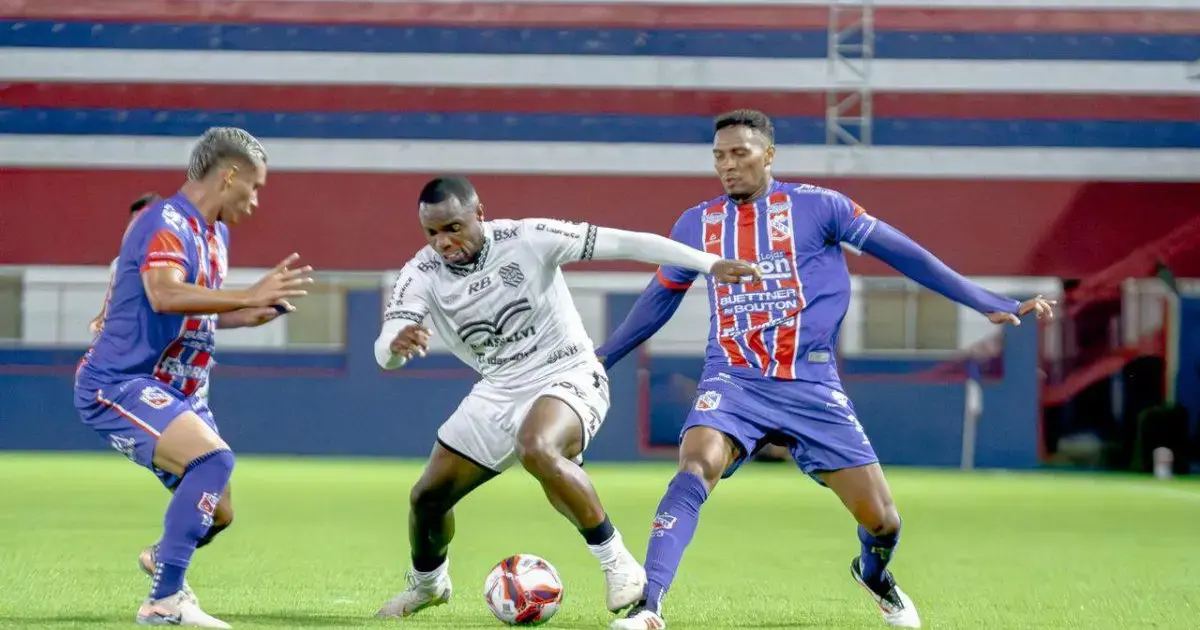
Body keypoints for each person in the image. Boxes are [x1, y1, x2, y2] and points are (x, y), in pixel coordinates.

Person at [599, 109, 1056, 630]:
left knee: (882, 521)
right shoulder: (696, 224)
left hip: (812, 384)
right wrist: (603, 357)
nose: (727, 165)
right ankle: (650, 605)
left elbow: (906, 255)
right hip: (734, 377)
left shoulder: (821, 207)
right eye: (719, 156)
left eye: (740, 154)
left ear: (768, 155)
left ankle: (874, 574)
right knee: (695, 466)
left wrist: (985, 301)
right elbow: (660, 298)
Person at [372, 176, 760, 620]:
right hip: (498, 389)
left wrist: (709, 263)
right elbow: (385, 350)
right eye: (432, 232)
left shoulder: (528, 238)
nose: (444, 242)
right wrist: (395, 346)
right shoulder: (420, 274)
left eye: (454, 227)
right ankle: (429, 585)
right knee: (427, 499)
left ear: (480, 213)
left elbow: (626, 242)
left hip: (568, 371)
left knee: (536, 445)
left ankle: (619, 565)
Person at [73, 127, 313, 627]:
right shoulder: (164, 221)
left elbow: (190, 308)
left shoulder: (216, 233)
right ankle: (164, 600)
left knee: (219, 512)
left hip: (180, 389)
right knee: (213, 460)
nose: (256, 199)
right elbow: (164, 293)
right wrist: (247, 294)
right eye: (256, 186)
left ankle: (165, 555)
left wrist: (244, 315)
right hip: (120, 381)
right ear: (229, 175)